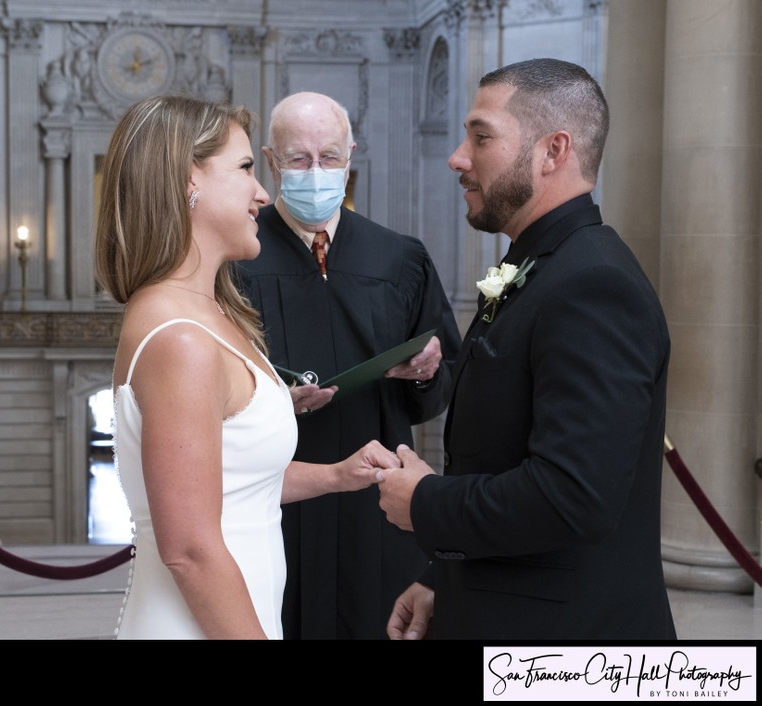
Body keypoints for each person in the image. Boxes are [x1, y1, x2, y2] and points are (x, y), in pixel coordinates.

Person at [376, 58, 677, 640]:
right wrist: (443, 577)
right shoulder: (538, 265)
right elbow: (502, 456)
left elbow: (573, 497)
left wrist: (426, 503)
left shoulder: (594, 284)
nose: (458, 157)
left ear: (553, 151)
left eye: (481, 136)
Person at [94, 94, 400, 640]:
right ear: (189, 181)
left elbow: (227, 481)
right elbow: (189, 549)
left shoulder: (205, 312)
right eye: (244, 169)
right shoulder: (181, 337)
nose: (263, 192)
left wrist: (335, 475)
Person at [236, 91, 462, 639]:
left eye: (330, 157)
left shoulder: (400, 259)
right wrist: (271, 403)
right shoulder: (238, 258)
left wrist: (428, 371)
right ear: (270, 161)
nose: (316, 171)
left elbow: (442, 384)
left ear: (351, 155)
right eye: (298, 159)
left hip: (378, 504)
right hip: (278, 505)